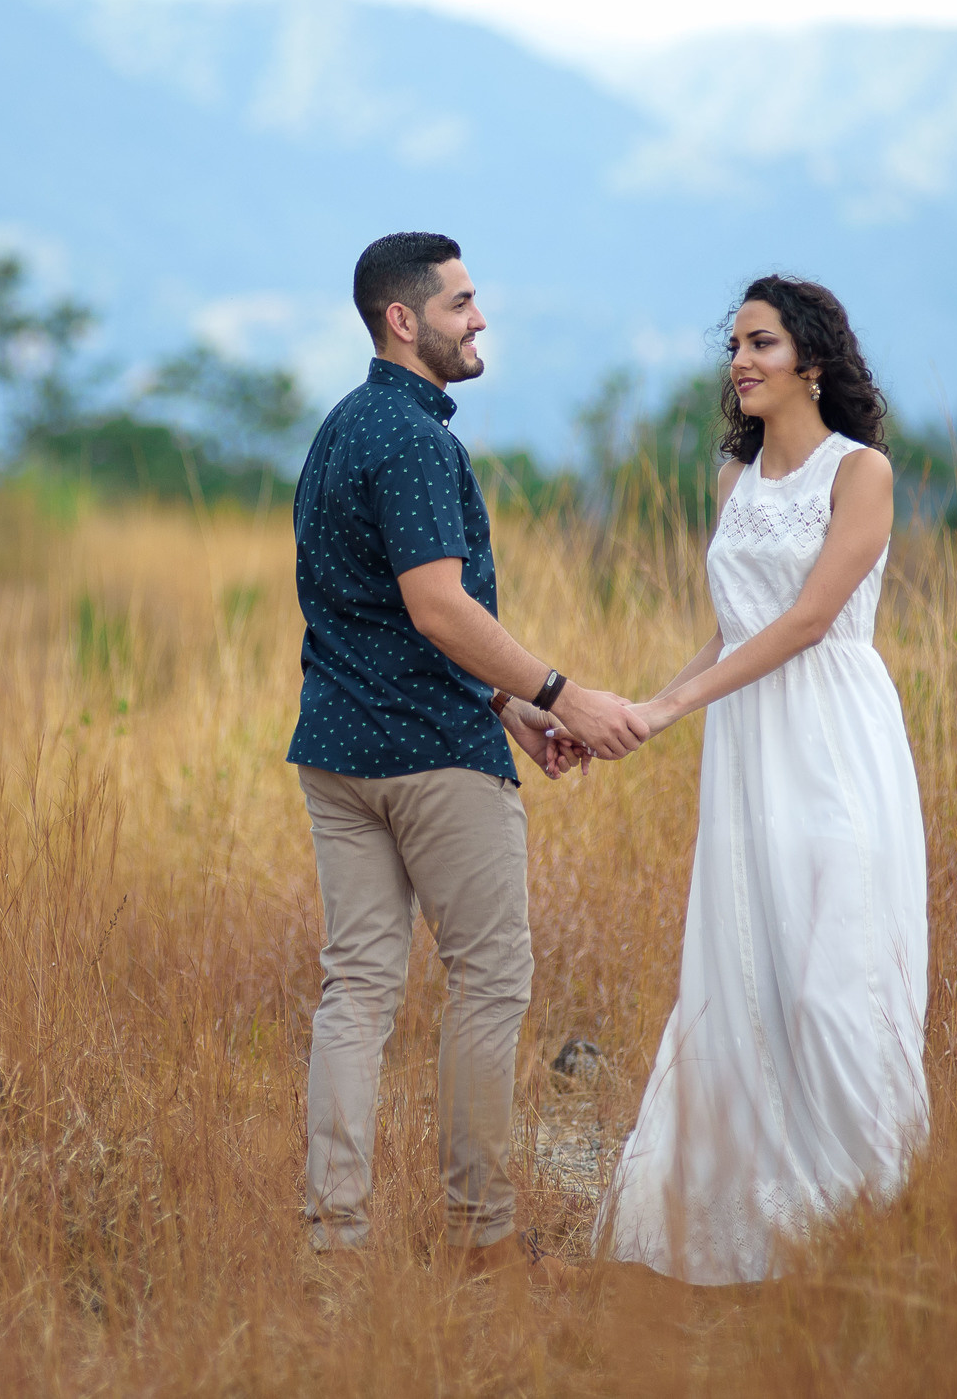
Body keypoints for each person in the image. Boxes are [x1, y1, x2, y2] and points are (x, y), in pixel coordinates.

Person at [290, 231, 648, 1279]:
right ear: (404, 320)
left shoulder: (338, 431)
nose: (478, 316)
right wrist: (556, 691)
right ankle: (482, 1238)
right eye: (460, 301)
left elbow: (373, 609)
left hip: (338, 750)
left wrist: (502, 700)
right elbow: (435, 602)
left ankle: (335, 1252)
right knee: (489, 982)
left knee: (355, 990)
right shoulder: (411, 439)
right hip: (430, 758)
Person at [591, 274, 930, 1285]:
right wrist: (644, 711)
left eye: (762, 343)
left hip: (831, 737)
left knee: (837, 970)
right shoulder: (736, 481)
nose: (739, 360)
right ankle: (743, 1217)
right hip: (745, 751)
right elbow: (733, 628)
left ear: (811, 361)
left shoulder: (857, 472)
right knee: (751, 962)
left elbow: (805, 621)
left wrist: (669, 708)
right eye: (734, 344)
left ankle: (867, 1208)